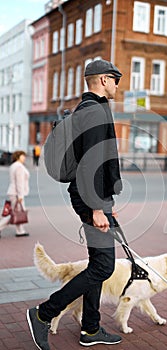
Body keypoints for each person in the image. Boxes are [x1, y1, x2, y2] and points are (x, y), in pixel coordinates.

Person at [27, 59, 123, 349]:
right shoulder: (94, 112)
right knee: (104, 267)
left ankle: (91, 329)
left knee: (97, 263)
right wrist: (96, 207)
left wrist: (106, 202)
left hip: (93, 197)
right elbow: (92, 161)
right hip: (88, 197)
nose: (118, 85)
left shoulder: (88, 109)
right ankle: (43, 314)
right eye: (115, 80)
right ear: (104, 80)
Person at [0, 150, 30, 237]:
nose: (24, 158)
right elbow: (19, 182)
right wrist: (20, 195)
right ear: (18, 156)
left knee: (17, 211)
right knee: (13, 213)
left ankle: (20, 231)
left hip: (13, 191)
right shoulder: (19, 167)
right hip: (16, 193)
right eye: (22, 156)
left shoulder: (13, 165)